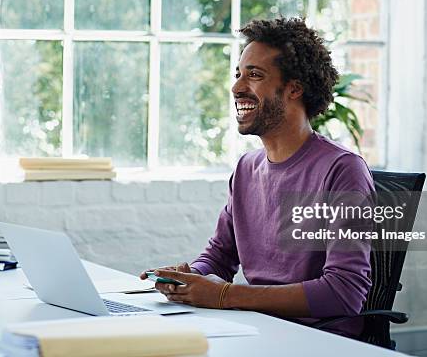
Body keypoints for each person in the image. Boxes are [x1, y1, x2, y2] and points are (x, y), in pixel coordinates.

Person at [140, 17, 374, 337]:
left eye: (254, 75)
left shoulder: (342, 169)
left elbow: (344, 292)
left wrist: (224, 296)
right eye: (238, 74)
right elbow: (220, 257)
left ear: (294, 88)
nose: (237, 87)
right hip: (258, 329)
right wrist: (191, 279)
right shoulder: (246, 170)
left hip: (316, 340)